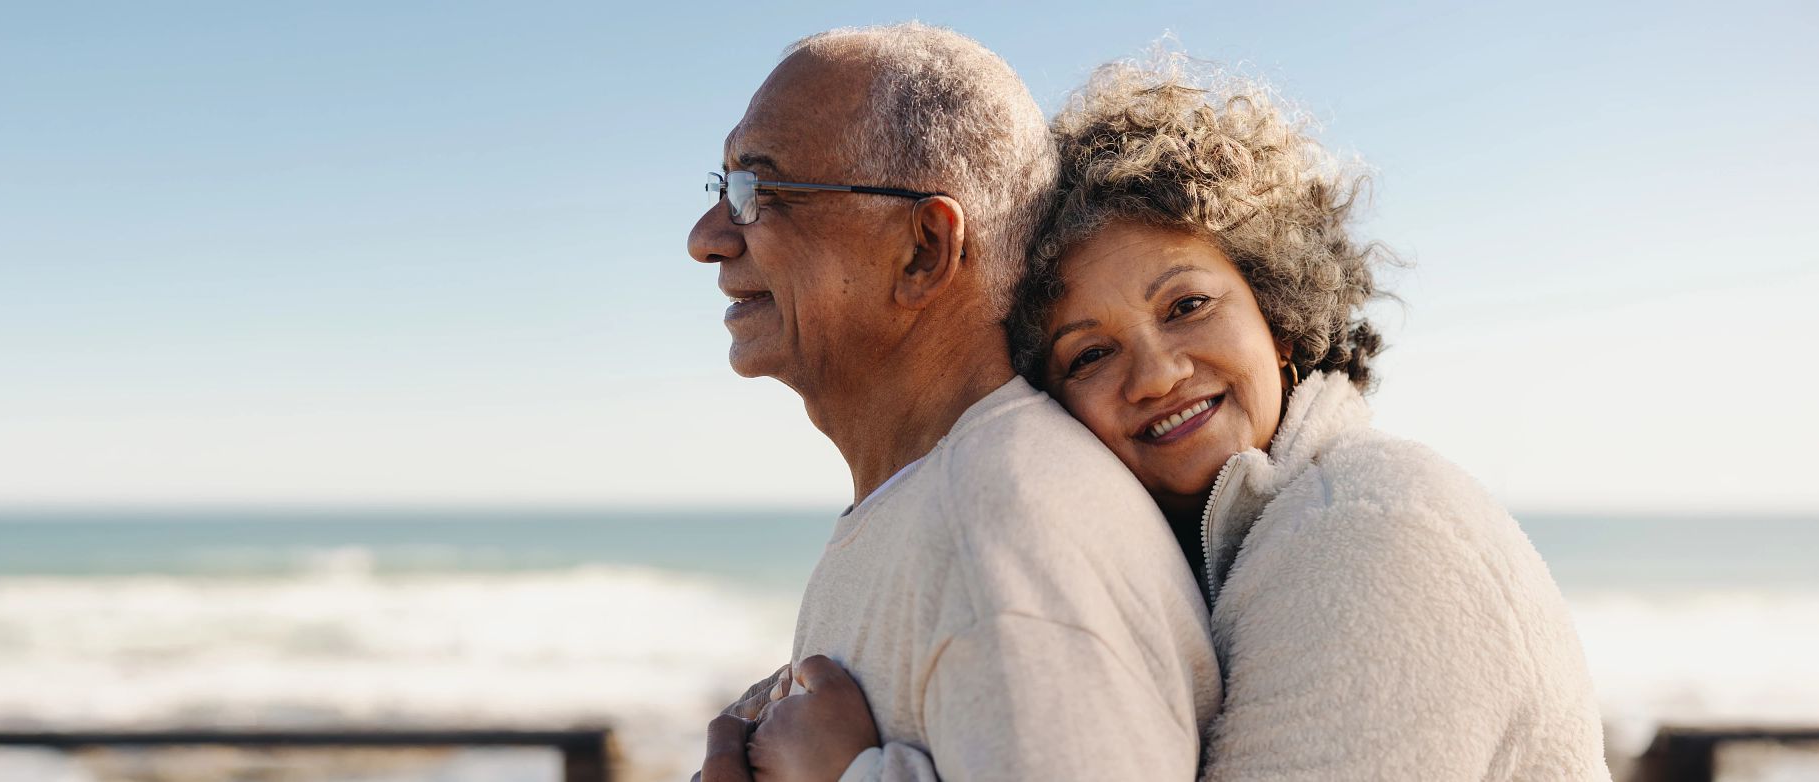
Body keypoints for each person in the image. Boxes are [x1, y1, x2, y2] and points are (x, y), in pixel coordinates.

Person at [766, 55, 1613, 780]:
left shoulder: (1365, 533)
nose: (1157, 374)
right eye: (1087, 355)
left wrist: (847, 773)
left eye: (1187, 305)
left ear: (1278, 314)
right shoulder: (1231, 543)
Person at [685, 23, 1221, 782]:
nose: (706, 238)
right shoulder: (949, 502)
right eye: (721, 187)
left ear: (924, 250)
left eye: (756, 189)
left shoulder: (1001, 533)